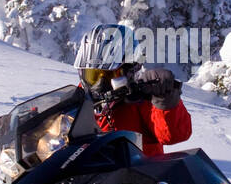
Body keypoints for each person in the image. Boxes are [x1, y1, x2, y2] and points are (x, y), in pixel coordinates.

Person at [74, 23, 192, 157]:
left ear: (130, 71)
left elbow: (175, 134)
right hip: (88, 174)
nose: (100, 85)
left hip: (139, 174)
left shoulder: (141, 100)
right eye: (93, 76)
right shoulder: (78, 101)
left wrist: (164, 99)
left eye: (110, 75)